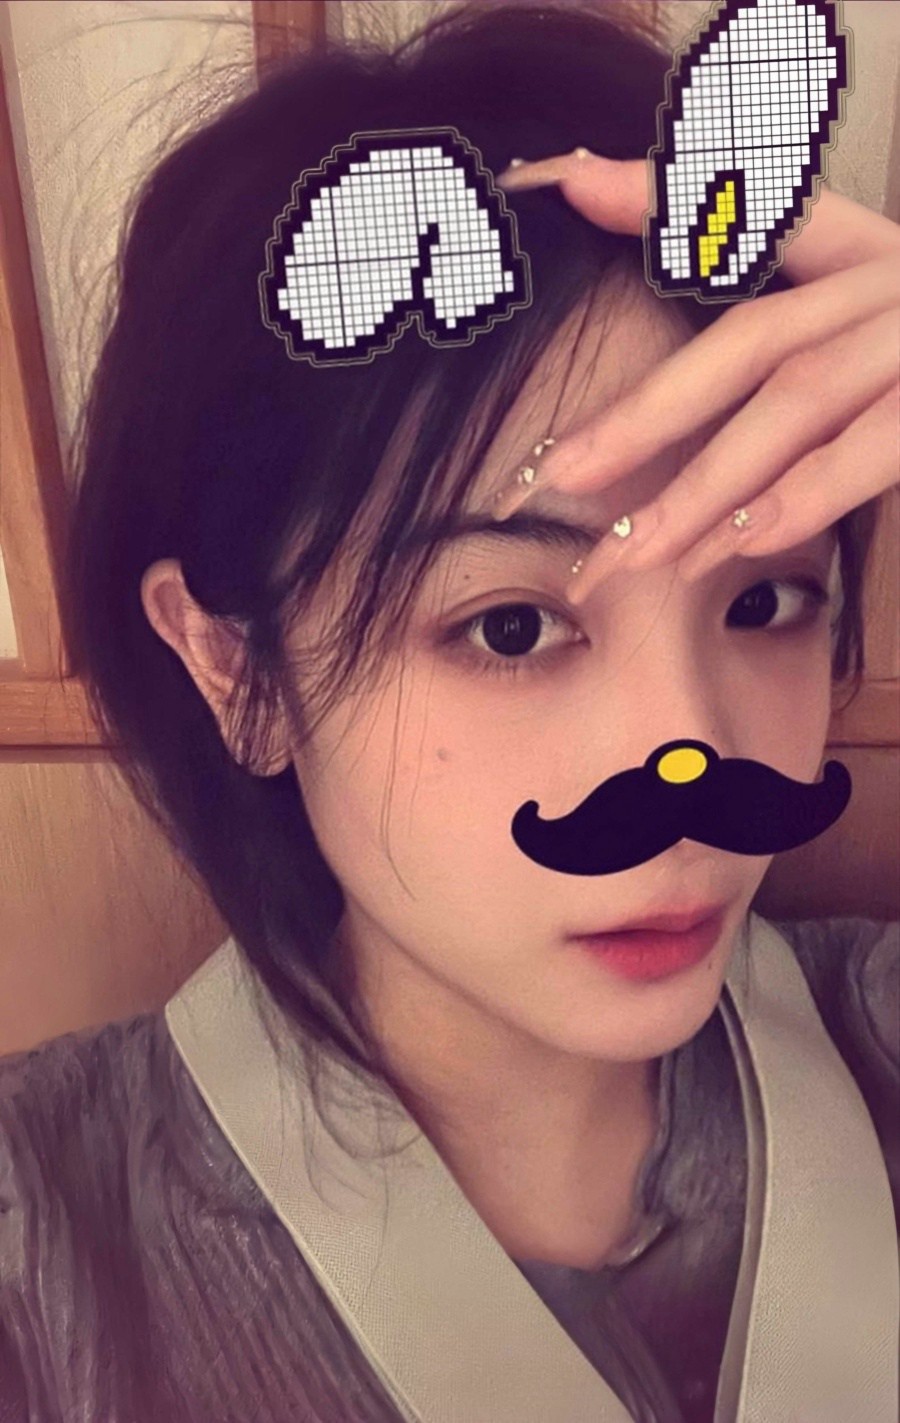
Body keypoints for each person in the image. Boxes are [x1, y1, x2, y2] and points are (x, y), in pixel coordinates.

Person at [1, 2, 897, 1420]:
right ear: (239, 672)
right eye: (512, 626)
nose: (688, 759)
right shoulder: (42, 1241)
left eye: (767, 600)